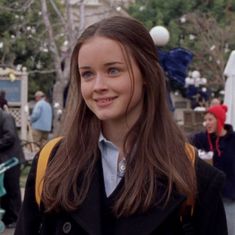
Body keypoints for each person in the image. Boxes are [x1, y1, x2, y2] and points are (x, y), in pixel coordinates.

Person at [15, 16, 227, 235]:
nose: (98, 86)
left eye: (113, 70)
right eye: (87, 74)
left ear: (146, 74)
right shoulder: (51, 163)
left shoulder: (192, 176)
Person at [191, 104, 235, 235]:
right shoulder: (201, 139)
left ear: (219, 120)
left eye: (210, 119)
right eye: (206, 120)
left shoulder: (233, 140)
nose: (207, 123)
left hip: (229, 196)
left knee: (230, 229)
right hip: (208, 196)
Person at [0, 108, 24, 228]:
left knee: (12, 189)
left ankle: (15, 218)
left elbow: (10, 136)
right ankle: (6, 217)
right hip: (5, 159)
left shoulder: (6, 117)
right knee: (3, 189)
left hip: (12, 159)